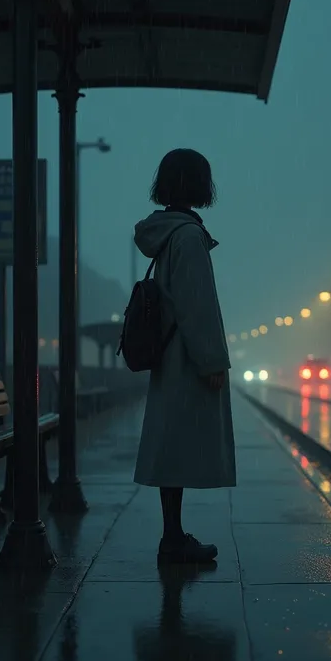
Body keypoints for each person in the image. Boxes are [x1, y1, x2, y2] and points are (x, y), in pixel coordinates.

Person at [133, 148, 236, 564]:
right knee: (179, 448)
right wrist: (212, 360)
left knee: (171, 445)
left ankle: (171, 534)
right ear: (199, 184)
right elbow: (198, 304)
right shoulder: (189, 236)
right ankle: (172, 539)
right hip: (187, 358)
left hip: (169, 355)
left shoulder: (167, 232)